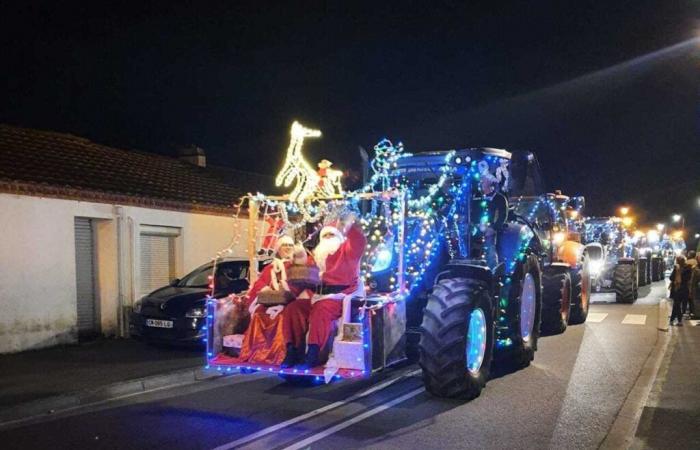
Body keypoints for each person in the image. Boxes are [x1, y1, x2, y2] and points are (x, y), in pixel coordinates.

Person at [282, 214, 366, 369]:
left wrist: (349, 225)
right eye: (325, 235)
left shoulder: (348, 250)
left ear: (339, 236)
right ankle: (291, 351)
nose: (328, 238)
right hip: (317, 296)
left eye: (331, 234)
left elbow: (359, 241)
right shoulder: (316, 257)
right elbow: (302, 279)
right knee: (292, 309)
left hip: (338, 297)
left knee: (321, 310)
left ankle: (313, 354)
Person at [236, 236, 297, 365]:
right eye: (284, 245)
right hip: (270, 301)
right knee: (258, 314)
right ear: (278, 248)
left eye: (290, 245)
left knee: (281, 317)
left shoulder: (296, 266)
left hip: (289, 302)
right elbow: (259, 284)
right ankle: (257, 354)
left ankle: (278, 354)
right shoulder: (270, 267)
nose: (287, 248)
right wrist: (267, 289)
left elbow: (298, 286)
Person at [479, 174, 508, 267]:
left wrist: (493, 228)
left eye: (483, 181)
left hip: (491, 229)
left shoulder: (499, 198)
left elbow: (502, 215)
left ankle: (493, 269)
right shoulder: (478, 197)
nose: (481, 183)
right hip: (477, 228)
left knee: (490, 249)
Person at [669, 255, 692, 326]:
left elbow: (672, 278)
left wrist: (677, 271)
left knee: (677, 305)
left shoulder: (681, 268)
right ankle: (672, 320)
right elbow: (672, 277)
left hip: (678, 289)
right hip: (682, 289)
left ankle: (678, 320)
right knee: (677, 304)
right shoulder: (688, 268)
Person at [688, 254, 700, 319]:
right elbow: (692, 280)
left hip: (697, 287)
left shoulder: (695, 268)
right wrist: (690, 290)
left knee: (697, 301)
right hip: (696, 288)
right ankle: (697, 315)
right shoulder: (695, 268)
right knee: (696, 301)